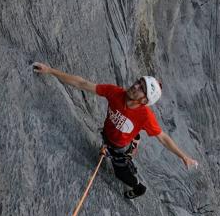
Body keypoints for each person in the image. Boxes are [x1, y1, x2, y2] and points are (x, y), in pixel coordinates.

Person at [33, 62, 198, 199]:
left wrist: (184, 156)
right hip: (109, 135)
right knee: (114, 148)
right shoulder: (116, 93)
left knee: (120, 173)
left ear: (145, 100)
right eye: (138, 82)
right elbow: (82, 83)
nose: (135, 86)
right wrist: (50, 70)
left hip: (120, 146)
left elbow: (162, 137)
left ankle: (138, 187)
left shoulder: (145, 116)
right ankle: (130, 145)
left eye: (141, 88)